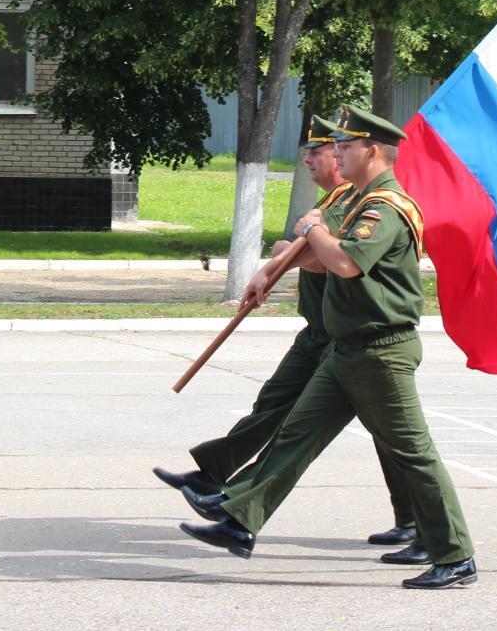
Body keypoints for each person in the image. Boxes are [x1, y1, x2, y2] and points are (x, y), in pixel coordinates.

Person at [180, 106, 478, 590]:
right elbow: (323, 263)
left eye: (345, 146)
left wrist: (312, 227)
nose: (337, 153)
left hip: (381, 350)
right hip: (347, 349)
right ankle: (240, 521)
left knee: (414, 453)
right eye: (334, 146)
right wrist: (289, 258)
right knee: (297, 436)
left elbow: (345, 264)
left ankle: (455, 554)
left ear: (373, 151)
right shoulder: (360, 202)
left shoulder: (385, 207)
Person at [155, 114, 417, 548]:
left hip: (354, 338)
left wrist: (290, 249)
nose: (318, 159)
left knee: (389, 440)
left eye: (327, 150)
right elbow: (309, 253)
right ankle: (226, 497)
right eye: (319, 150)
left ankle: (425, 528)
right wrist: (276, 263)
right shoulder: (339, 201)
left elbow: (332, 259)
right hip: (325, 331)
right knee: (283, 413)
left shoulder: (355, 205)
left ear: (356, 154)